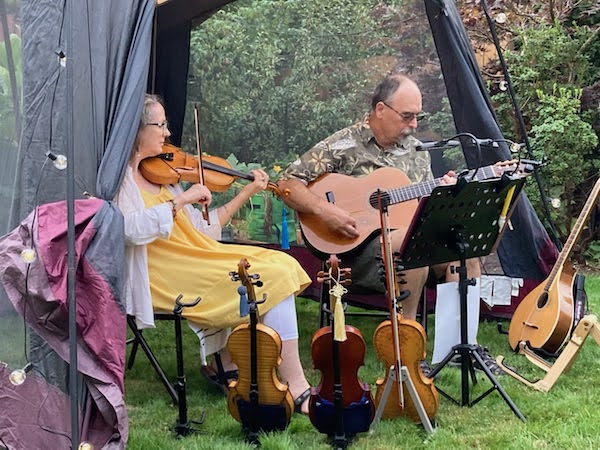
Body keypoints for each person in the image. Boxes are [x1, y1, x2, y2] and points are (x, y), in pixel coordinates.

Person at [278, 74, 501, 374]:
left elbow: (418, 210)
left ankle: (460, 346)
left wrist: (443, 193)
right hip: (350, 253)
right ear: (380, 110)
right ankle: (405, 348)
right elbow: (287, 184)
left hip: (401, 243)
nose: (413, 125)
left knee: (463, 254)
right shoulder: (343, 144)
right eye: (407, 116)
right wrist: (327, 211)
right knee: (409, 245)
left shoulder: (415, 151)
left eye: (417, 117)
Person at [115, 94, 313, 412]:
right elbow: (127, 230)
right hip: (163, 276)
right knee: (269, 275)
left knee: (281, 263)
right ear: (137, 129)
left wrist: (246, 191)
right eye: (161, 124)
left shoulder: (164, 176)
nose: (167, 133)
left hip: (197, 257)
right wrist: (180, 202)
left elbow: (203, 231)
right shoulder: (120, 181)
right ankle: (294, 383)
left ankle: (229, 360)